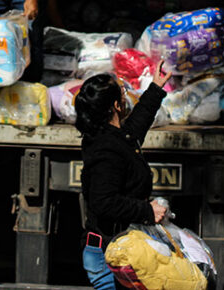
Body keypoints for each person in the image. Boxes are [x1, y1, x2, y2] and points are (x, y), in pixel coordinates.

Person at [75, 63, 174, 289]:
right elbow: (103, 201)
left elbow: (137, 124)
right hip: (107, 256)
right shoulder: (106, 150)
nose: (126, 95)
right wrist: (147, 211)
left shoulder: (115, 136)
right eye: (122, 92)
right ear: (116, 106)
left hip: (119, 248)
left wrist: (156, 88)